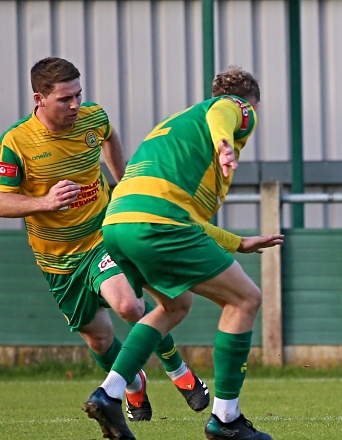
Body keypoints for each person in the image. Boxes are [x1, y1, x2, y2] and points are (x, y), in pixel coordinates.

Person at [0, 57, 210, 422]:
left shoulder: (93, 117)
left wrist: (123, 182)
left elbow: (109, 135)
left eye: (78, 95)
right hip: (57, 261)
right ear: (39, 99)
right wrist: (44, 202)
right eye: (65, 98)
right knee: (98, 340)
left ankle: (178, 370)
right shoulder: (16, 142)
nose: (75, 105)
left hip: (101, 238)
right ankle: (132, 382)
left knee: (129, 306)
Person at [83, 66, 284, 440]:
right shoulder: (232, 109)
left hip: (118, 223)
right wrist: (225, 142)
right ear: (250, 102)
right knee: (245, 299)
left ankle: (109, 393)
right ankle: (226, 419)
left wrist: (238, 242)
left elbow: (187, 219)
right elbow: (224, 110)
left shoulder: (176, 128)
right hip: (157, 223)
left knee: (174, 306)